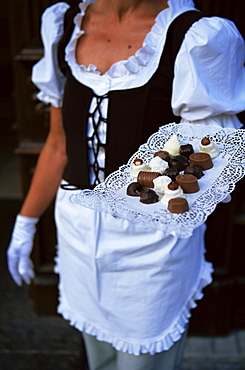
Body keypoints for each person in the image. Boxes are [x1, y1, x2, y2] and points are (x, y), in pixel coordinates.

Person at [7, 0, 245, 369]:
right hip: (77, 236)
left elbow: (208, 157)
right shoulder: (65, 25)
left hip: (152, 245)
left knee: (144, 361)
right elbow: (57, 145)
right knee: (98, 358)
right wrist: (26, 222)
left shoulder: (193, 37)